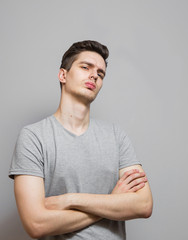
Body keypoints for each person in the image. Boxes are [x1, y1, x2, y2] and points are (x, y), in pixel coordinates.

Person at [9, 40, 153, 239]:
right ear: (63, 75)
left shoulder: (116, 136)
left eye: (100, 74)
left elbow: (144, 205)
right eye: (86, 67)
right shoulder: (34, 137)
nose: (94, 75)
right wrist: (112, 201)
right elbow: (36, 224)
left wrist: (70, 200)